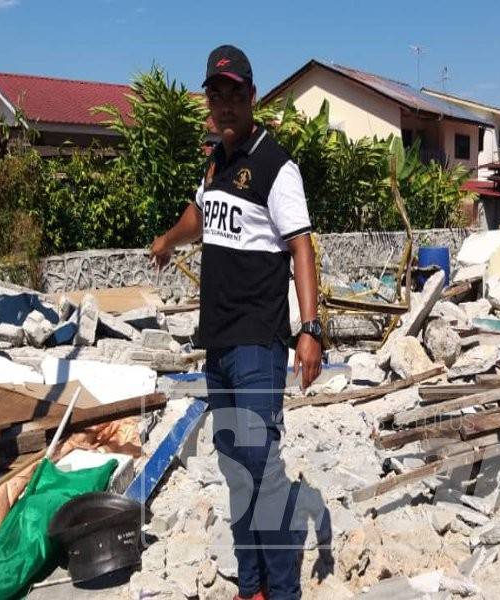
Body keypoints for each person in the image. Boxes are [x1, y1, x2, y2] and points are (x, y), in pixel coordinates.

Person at [150, 45, 322, 600]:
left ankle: (281, 590)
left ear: (252, 96)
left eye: (234, 93)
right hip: (217, 343)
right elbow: (199, 216)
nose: (224, 104)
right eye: (215, 94)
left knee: (261, 469)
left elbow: (301, 247)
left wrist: (310, 330)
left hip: (258, 344)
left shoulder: (276, 164)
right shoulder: (216, 161)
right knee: (233, 469)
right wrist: (167, 240)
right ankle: (251, 587)